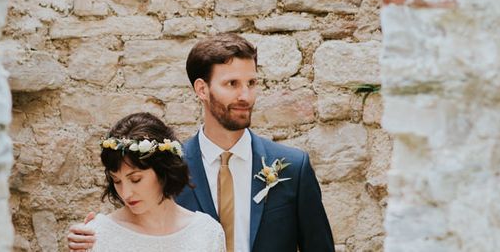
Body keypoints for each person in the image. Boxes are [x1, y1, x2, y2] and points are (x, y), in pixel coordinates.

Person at [176, 33, 334, 252]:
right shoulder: (170, 168)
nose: (246, 96)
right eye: (232, 84)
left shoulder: (295, 168)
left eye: (251, 83)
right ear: (202, 89)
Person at [66, 112, 225, 252]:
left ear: (163, 170)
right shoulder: (96, 235)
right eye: (117, 181)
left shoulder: (207, 233)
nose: (126, 194)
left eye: (136, 179)